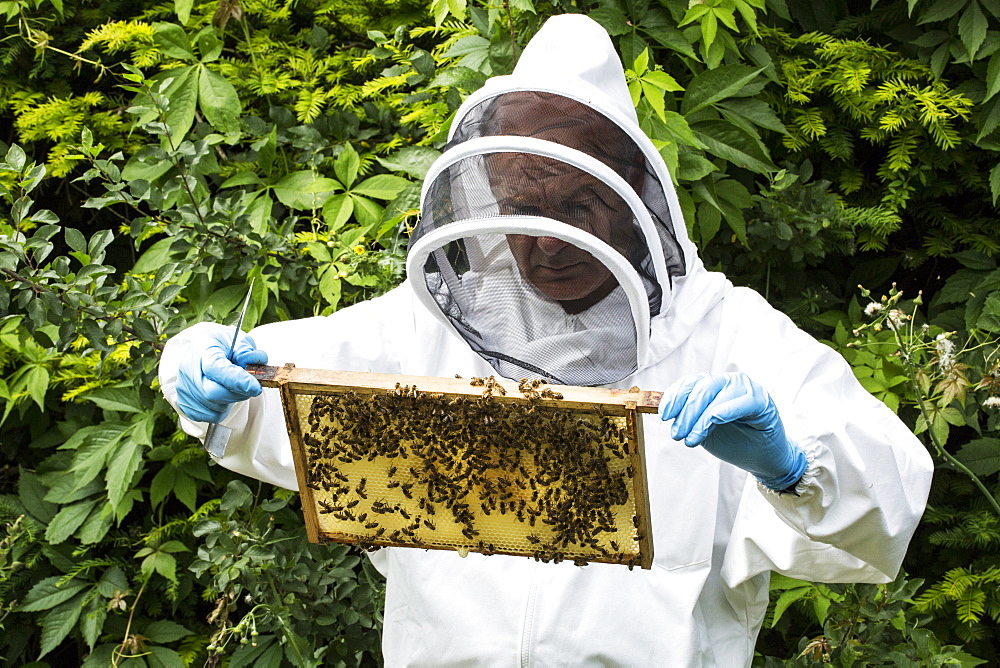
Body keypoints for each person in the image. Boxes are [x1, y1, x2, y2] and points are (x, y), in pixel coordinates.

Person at [159, 14, 934, 666]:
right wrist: (204, 372)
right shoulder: (428, 326)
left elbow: (891, 494)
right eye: (524, 204)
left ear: (636, 198)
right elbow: (282, 388)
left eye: (578, 206)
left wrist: (795, 467)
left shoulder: (729, 333)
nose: (550, 241)